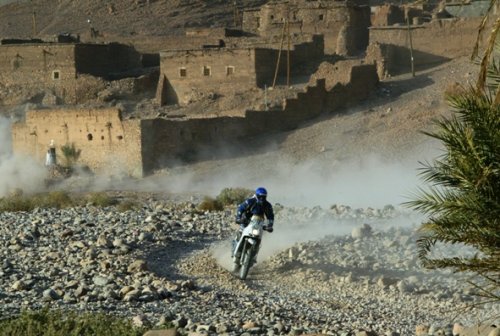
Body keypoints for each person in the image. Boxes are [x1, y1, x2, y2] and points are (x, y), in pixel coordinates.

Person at [233, 187, 274, 261]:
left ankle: (253, 257)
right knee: (240, 232)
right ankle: (235, 252)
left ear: (265, 197)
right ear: (257, 195)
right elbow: (241, 208)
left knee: (259, 238)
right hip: (246, 221)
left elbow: (270, 216)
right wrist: (239, 218)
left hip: (258, 224)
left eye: (263, 197)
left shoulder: (267, 205)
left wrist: (270, 225)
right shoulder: (250, 201)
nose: (261, 198)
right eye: (260, 197)